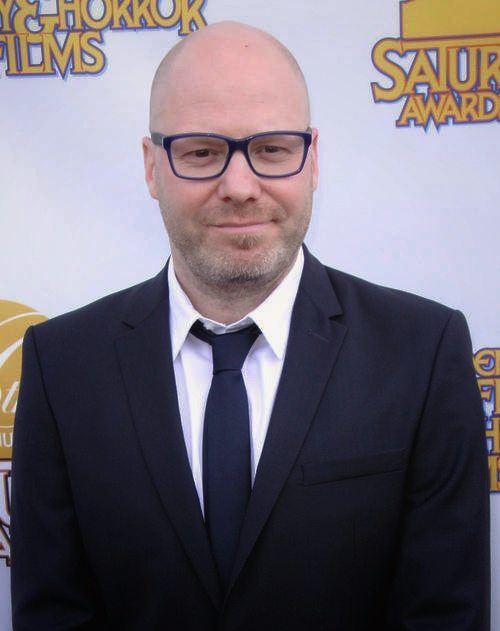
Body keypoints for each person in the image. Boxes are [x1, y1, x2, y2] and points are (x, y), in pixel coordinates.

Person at [10, 20, 490, 631]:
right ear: (153, 166)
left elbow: (446, 614)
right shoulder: (62, 365)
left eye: (272, 149)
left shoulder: (423, 353)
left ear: (311, 158)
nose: (239, 186)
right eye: (202, 152)